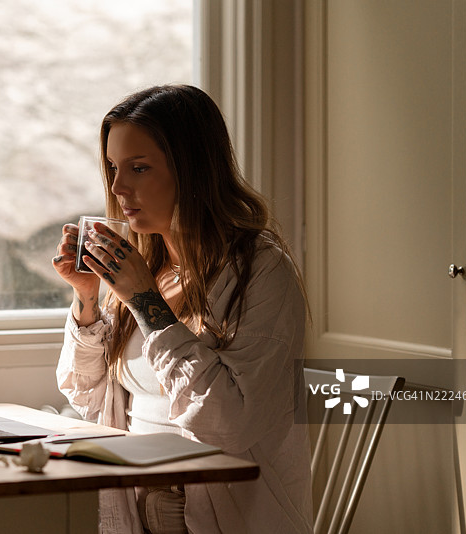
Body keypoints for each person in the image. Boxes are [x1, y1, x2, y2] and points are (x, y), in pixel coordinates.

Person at [52, 84, 313, 534]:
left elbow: (229, 423)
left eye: (139, 168)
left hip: (220, 515)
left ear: (192, 172)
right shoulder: (148, 265)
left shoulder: (261, 271)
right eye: (114, 168)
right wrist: (88, 296)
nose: (117, 186)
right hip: (134, 508)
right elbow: (88, 397)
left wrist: (146, 302)